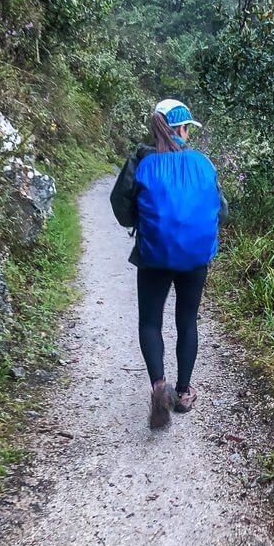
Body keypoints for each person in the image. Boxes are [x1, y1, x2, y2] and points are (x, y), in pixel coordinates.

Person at [110, 99, 227, 429]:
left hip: (154, 255)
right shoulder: (203, 163)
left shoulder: (143, 161)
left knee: (150, 321)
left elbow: (121, 208)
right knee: (187, 321)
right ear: (181, 129)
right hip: (195, 258)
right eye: (187, 127)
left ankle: (160, 387)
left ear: (156, 128)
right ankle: (185, 392)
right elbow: (223, 209)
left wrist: (144, 222)